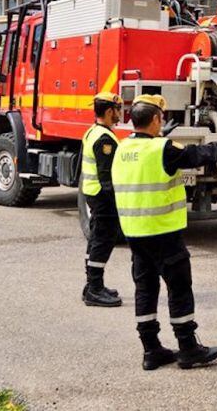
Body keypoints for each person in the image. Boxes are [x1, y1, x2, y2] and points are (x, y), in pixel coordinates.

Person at [112, 94, 217, 371]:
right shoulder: (162, 149)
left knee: (146, 289)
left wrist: (161, 139)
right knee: (179, 288)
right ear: (156, 120)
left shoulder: (122, 148)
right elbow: (200, 154)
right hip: (164, 232)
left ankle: (151, 350)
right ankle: (188, 348)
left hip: (135, 233)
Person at [81, 92, 125, 308]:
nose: (119, 114)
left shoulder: (94, 132)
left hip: (93, 192)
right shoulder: (104, 139)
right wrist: (116, 201)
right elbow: (107, 176)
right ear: (109, 111)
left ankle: (91, 285)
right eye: (117, 110)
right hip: (102, 195)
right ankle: (95, 289)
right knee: (103, 240)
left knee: (96, 239)